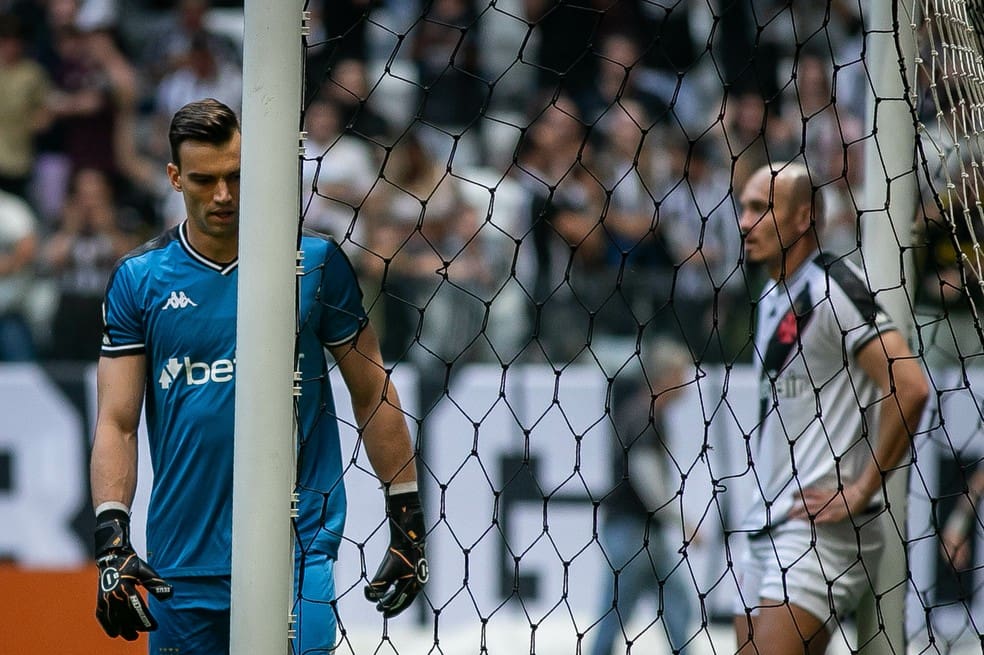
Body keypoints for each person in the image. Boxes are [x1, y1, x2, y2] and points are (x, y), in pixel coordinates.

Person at [89, 98, 427, 653]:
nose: (223, 195)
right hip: (181, 558)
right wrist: (111, 538)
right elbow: (117, 422)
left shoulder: (315, 264)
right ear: (175, 178)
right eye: (204, 180)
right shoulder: (138, 280)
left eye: (237, 177)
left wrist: (407, 516)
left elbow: (373, 392)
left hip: (296, 550)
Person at [732, 161, 929, 654]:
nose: (744, 221)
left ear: (803, 218)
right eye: (743, 207)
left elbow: (910, 386)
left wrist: (863, 489)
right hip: (763, 522)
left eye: (760, 208)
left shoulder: (834, 288)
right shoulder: (773, 294)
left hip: (816, 535)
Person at [590, 336, 696, 655]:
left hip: (642, 532)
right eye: (681, 375)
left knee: (674, 602)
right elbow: (645, 475)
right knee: (618, 612)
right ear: (665, 377)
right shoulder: (644, 415)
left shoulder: (642, 410)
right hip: (633, 533)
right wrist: (682, 521)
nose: (686, 384)